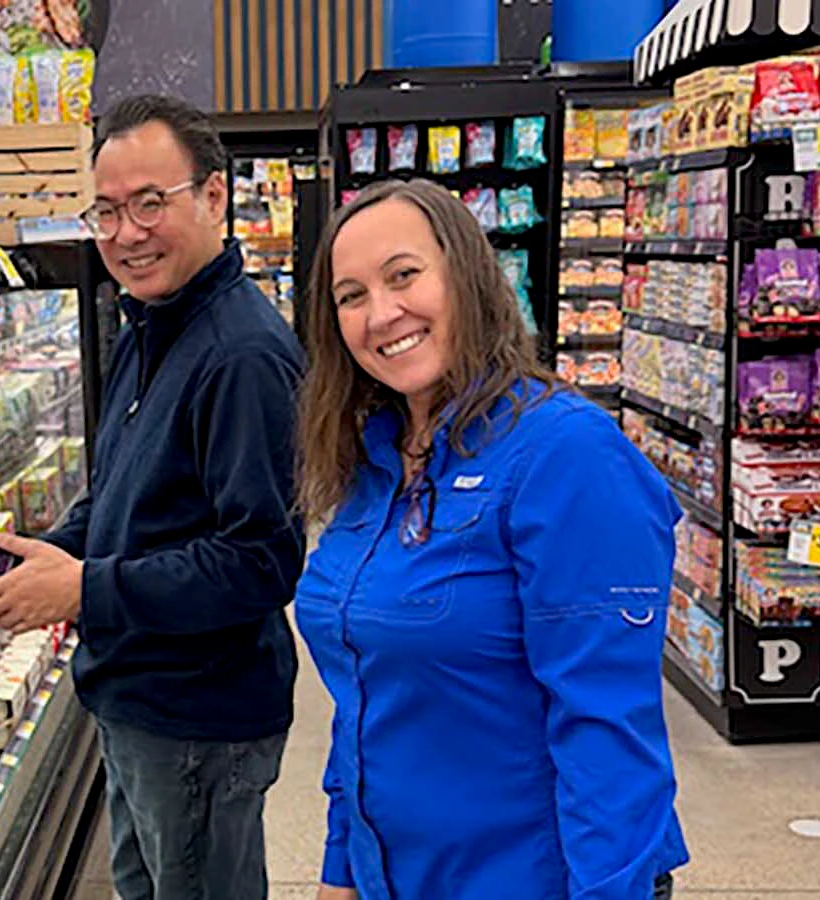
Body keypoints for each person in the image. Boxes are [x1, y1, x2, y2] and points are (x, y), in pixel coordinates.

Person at [0, 93, 305, 900]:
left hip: (197, 716)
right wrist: (53, 551)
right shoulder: (151, 324)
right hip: (135, 695)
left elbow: (261, 562)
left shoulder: (242, 356)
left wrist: (82, 587)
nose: (126, 233)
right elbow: (128, 494)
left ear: (214, 196)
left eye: (150, 203)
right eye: (106, 211)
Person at [294, 178, 688, 900]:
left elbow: (608, 731)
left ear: (468, 277)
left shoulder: (566, 456)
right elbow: (365, 697)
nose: (382, 314)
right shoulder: (374, 459)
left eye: (404, 276)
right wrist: (342, 867)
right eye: (351, 296)